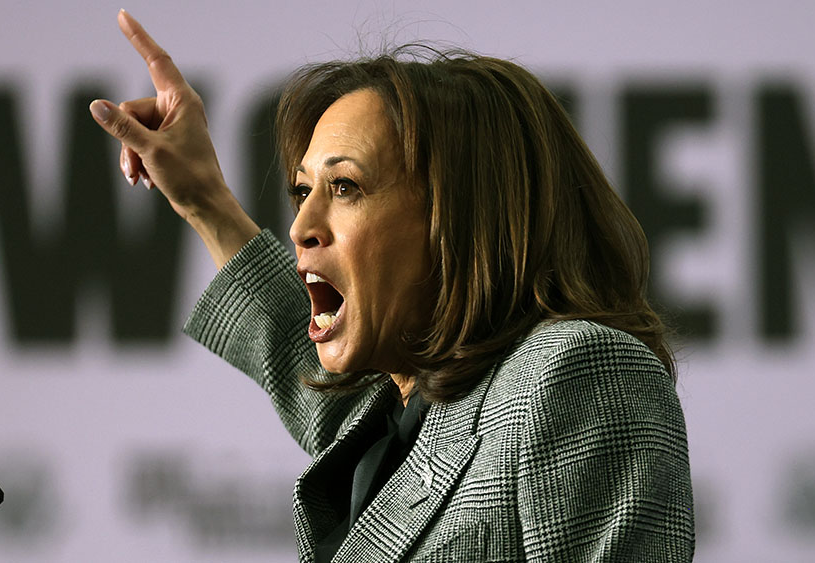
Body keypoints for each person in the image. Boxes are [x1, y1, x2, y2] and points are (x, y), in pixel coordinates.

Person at [90, 10, 695, 562]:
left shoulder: (574, 372)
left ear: (458, 217)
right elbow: (317, 382)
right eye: (302, 190)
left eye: (345, 187)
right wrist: (204, 200)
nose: (300, 226)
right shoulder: (400, 422)